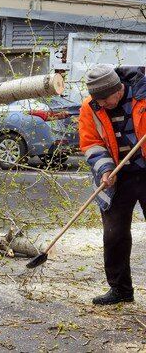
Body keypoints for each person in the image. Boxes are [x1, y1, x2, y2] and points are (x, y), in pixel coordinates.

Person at [79, 64, 146, 305]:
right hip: (119, 176)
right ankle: (121, 290)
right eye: (97, 100)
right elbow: (91, 143)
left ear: (118, 90)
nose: (102, 105)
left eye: (105, 99)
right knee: (114, 234)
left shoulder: (143, 95)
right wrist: (105, 169)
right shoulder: (92, 107)